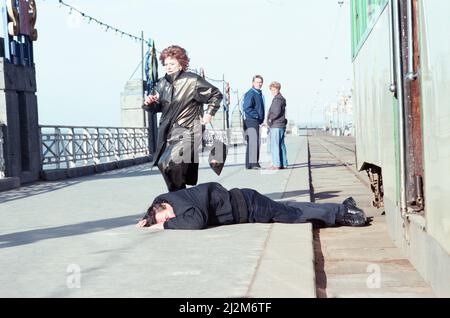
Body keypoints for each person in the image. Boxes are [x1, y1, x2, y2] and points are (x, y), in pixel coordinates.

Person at [143, 45, 223, 192]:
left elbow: (216, 94)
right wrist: (149, 104)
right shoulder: (161, 84)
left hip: (190, 129)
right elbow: (156, 108)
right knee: (164, 165)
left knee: (170, 163)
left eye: (172, 63)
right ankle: (180, 197)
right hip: (169, 132)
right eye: (166, 64)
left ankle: (179, 198)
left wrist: (210, 113)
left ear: (181, 63)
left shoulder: (192, 80)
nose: (168, 67)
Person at [137, 182, 368, 230]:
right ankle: (341, 206)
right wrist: (149, 221)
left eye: (166, 217)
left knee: (295, 215)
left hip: (250, 206)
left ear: (163, 205)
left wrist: (163, 227)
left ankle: (342, 213)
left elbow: (196, 221)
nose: (171, 219)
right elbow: (164, 213)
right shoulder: (170, 201)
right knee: (288, 208)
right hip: (248, 202)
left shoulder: (178, 202)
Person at [242, 75, 265, 170]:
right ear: (253, 83)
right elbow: (246, 107)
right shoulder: (251, 93)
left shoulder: (258, 93)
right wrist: (256, 116)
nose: (259, 84)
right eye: (257, 82)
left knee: (252, 141)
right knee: (254, 141)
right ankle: (254, 163)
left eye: (260, 82)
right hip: (251, 120)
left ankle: (249, 164)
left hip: (254, 121)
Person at [267, 81, 288, 170]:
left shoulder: (277, 99)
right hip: (281, 125)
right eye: (272, 90)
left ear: (278, 89)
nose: (273, 91)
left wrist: (269, 120)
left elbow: (276, 112)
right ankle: (284, 163)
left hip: (276, 125)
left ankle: (276, 164)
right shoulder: (281, 99)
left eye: (274, 89)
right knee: (281, 145)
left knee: (275, 145)